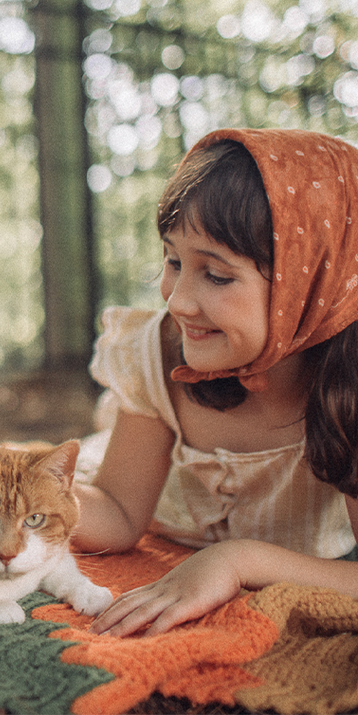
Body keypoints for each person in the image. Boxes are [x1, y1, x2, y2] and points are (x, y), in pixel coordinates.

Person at [74, 127, 358, 637]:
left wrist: (236, 562)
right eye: (173, 261)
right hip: (149, 504)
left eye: (217, 276)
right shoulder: (159, 352)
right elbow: (117, 512)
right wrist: (14, 501)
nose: (178, 301)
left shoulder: (349, 390)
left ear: (312, 279)